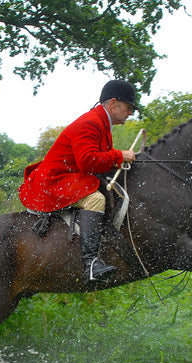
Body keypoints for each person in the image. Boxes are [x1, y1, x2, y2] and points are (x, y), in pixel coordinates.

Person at [19, 79, 138, 282]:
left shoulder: (102, 122)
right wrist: (119, 156)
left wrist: (118, 160)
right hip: (52, 182)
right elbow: (87, 161)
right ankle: (90, 264)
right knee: (96, 200)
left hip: (69, 176)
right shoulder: (91, 122)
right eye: (128, 107)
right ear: (113, 103)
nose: (130, 113)